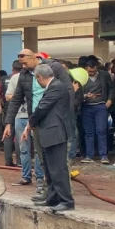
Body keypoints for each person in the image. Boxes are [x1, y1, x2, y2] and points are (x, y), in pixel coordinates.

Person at [26, 63, 74, 212]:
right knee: (50, 168)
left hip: (56, 133)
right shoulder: (53, 86)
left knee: (58, 169)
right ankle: (52, 198)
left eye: (36, 79)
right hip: (50, 133)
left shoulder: (56, 86)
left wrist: (30, 123)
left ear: (40, 77)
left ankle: (66, 200)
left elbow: (42, 107)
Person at [80, 56, 114, 164]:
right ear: (86, 69)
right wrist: (85, 96)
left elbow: (111, 88)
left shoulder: (104, 75)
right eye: (90, 72)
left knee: (101, 130)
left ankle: (103, 155)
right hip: (87, 107)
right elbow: (76, 92)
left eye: (94, 71)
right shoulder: (82, 77)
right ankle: (89, 155)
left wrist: (109, 100)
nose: (92, 73)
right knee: (88, 132)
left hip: (101, 106)